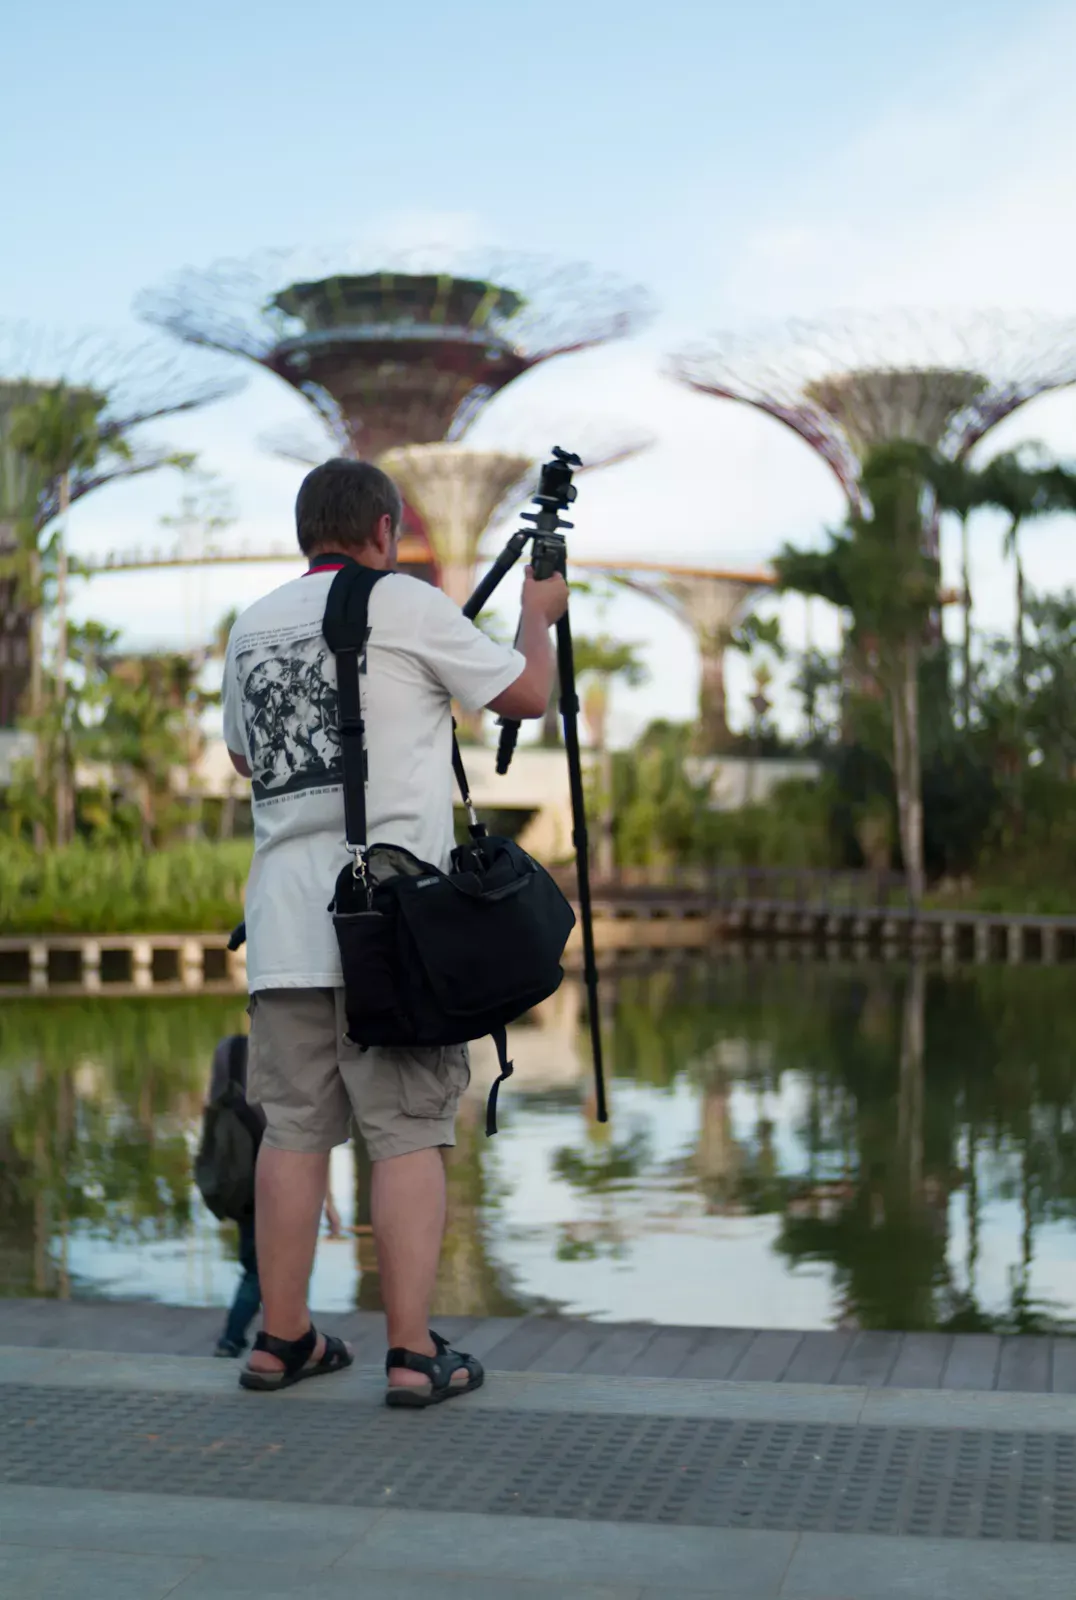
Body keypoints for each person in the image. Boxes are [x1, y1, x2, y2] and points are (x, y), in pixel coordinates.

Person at [222, 457, 565, 1405]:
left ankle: (279, 1338)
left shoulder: (249, 628)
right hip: (392, 924)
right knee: (408, 1131)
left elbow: (250, 760)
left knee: (290, 1132)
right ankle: (413, 1355)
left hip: (284, 920)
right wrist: (538, 612)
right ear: (384, 529)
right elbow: (526, 696)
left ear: (306, 534)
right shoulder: (406, 605)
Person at [205, 1033, 345, 1359]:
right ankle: (278, 1337)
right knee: (281, 1266)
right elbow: (302, 1143)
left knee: (254, 1267)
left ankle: (246, 1338)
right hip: (276, 1185)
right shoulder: (279, 1074)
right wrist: (329, 1203)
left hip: (238, 1185)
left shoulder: (224, 1072)